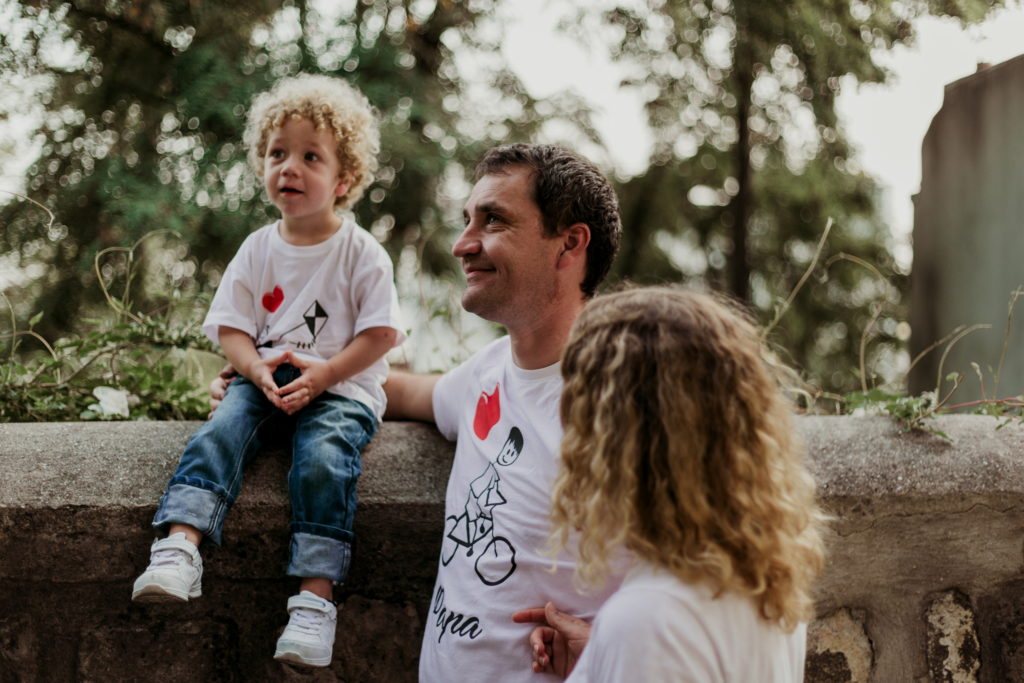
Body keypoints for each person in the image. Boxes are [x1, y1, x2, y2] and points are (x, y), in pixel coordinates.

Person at [132, 73, 405, 669]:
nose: (290, 166)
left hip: (340, 388)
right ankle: (181, 544)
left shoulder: (361, 253)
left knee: (324, 461)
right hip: (267, 379)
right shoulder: (258, 248)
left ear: (345, 179)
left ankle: (314, 600)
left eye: (312, 156)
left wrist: (327, 373)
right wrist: (253, 370)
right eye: (278, 153)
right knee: (219, 432)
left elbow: (381, 334)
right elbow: (231, 326)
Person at [379, 143, 625, 681]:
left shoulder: (624, 405)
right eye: (468, 220)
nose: (462, 244)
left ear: (569, 244)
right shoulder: (487, 371)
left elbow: (728, 581)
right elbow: (399, 392)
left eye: (494, 220)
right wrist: (281, 378)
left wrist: (613, 649)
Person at [512, 287, 827, 682]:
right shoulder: (760, 582)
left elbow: (660, 641)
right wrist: (600, 662)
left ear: (615, 442)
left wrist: (624, 653)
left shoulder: (649, 622)